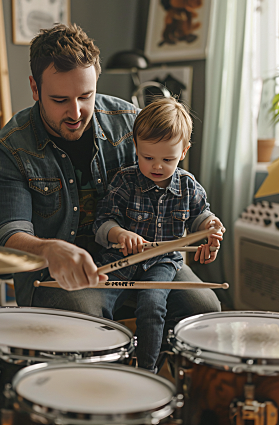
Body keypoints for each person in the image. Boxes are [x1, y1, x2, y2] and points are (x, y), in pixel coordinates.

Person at [0, 23, 221, 339]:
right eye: (59, 99)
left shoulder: (130, 121)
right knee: (85, 324)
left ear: (97, 78)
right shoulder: (9, 148)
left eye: (86, 96)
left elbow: (172, 185)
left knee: (204, 309)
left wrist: (204, 226)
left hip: (142, 261)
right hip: (56, 277)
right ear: (34, 88)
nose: (76, 112)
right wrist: (51, 249)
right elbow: (11, 234)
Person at [92, 98, 224, 371]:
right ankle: (102, 365)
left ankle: (148, 370)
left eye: (168, 159)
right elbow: (102, 223)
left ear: (184, 151)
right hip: (121, 260)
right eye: (147, 157)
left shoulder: (188, 187)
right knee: (96, 305)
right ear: (136, 148)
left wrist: (211, 227)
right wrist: (119, 234)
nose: (157, 166)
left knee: (152, 304)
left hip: (163, 262)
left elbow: (202, 216)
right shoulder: (125, 180)